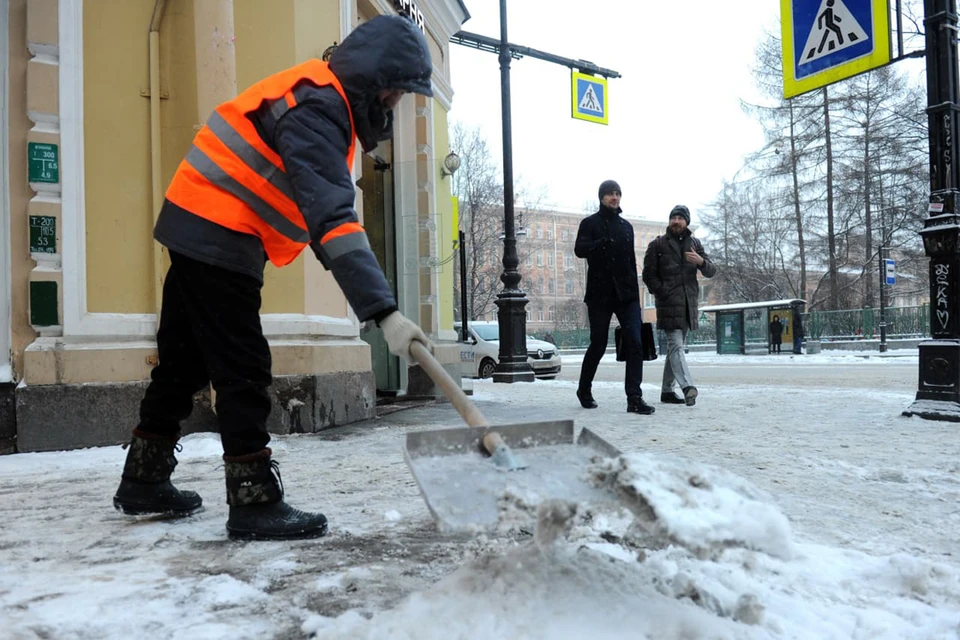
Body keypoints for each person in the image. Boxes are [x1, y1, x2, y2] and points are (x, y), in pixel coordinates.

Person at [112, 15, 433, 541]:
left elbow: (317, 214)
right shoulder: (319, 107)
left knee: (184, 361)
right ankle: (254, 499)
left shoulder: (318, 97)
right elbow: (332, 218)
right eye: (397, 91)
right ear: (378, 80)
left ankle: (144, 478)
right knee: (243, 368)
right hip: (219, 232)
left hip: (199, 226)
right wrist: (383, 311)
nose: (396, 103)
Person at [574, 180, 654, 415]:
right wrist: (600, 244)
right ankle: (584, 389)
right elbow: (580, 250)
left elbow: (630, 261)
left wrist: (637, 290)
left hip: (627, 294)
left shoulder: (626, 226)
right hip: (600, 293)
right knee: (598, 343)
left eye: (617, 193)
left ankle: (634, 398)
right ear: (601, 197)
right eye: (610, 194)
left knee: (635, 342)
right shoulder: (589, 223)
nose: (614, 197)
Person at [642, 205, 716, 406]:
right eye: (673, 217)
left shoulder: (695, 244)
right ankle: (687, 387)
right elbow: (648, 275)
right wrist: (662, 291)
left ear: (686, 222)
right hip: (668, 305)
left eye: (680, 218)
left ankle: (667, 391)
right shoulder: (657, 245)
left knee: (676, 349)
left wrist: (701, 261)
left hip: (688, 306)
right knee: (676, 346)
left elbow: (712, 271)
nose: (676, 221)